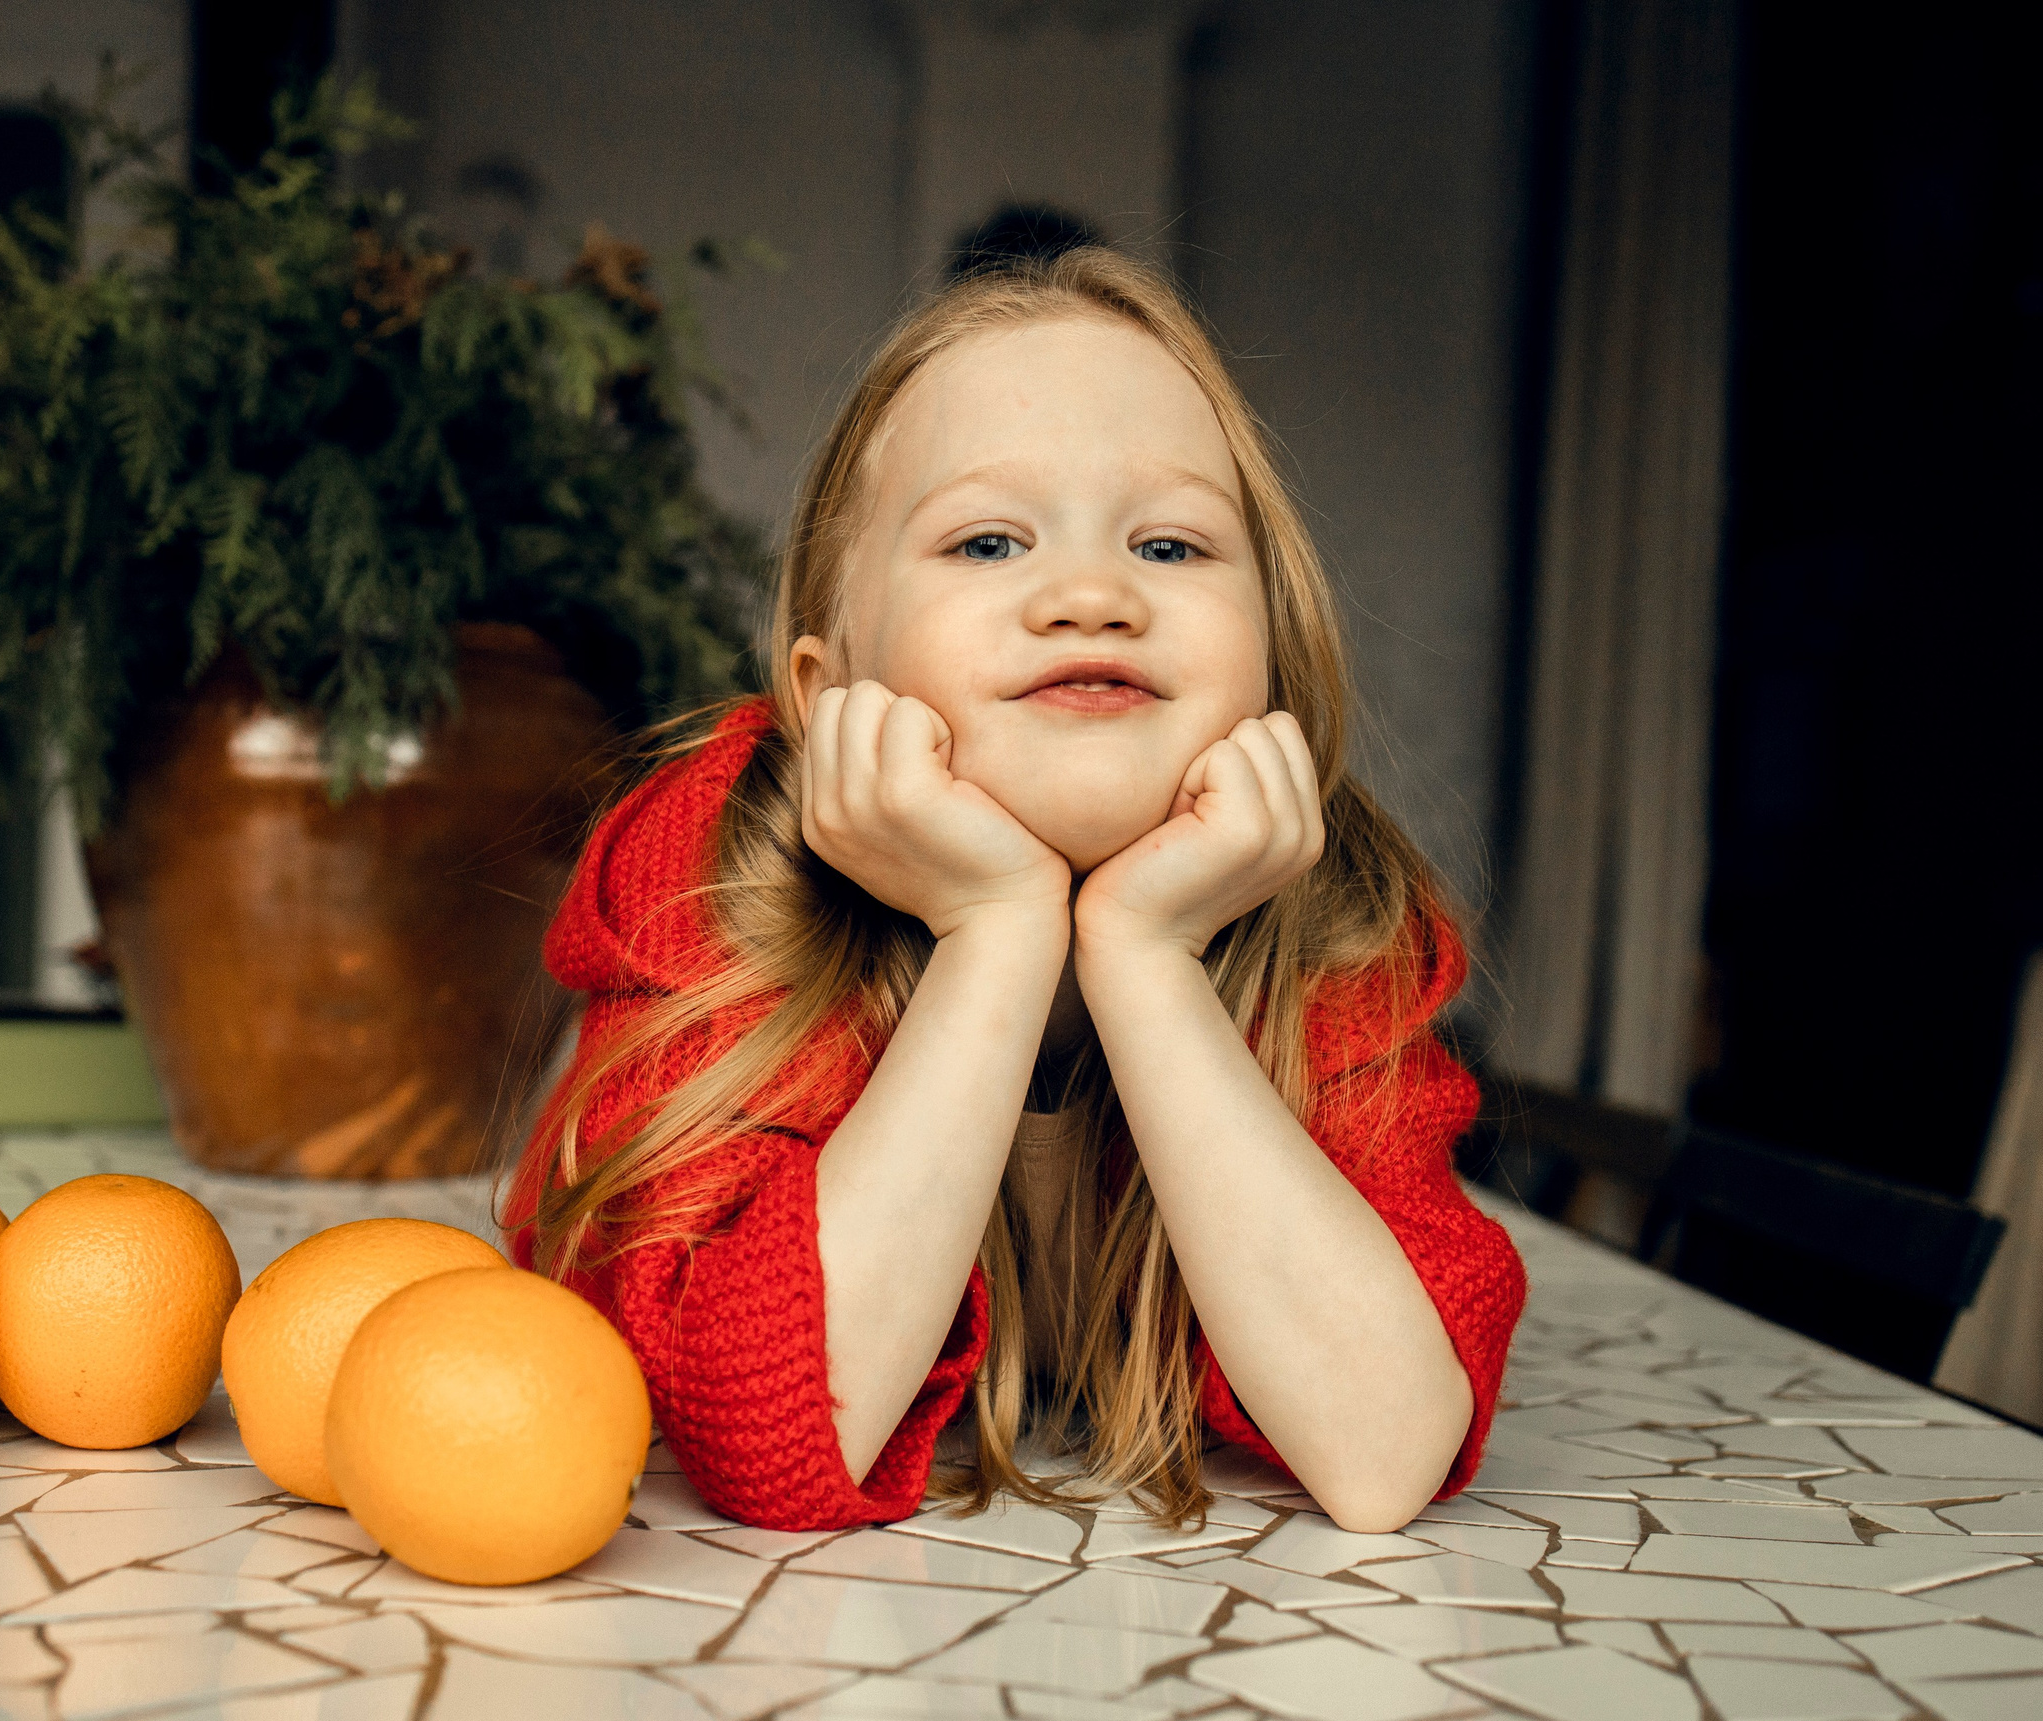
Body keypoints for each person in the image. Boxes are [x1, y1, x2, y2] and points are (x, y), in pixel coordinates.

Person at [502, 246, 1526, 1535]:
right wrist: (994, 929)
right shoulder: (724, 861)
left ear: (1270, 660)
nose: (1092, 596)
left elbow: (1385, 1454)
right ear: (828, 691)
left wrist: (1146, 957)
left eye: (1171, 543)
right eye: (987, 541)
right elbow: (763, 1429)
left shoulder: (1338, 911)